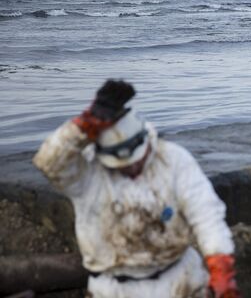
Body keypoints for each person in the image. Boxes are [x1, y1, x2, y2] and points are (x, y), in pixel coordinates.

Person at [33, 79, 240, 298]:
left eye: (133, 162)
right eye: (120, 165)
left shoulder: (173, 160)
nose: (130, 168)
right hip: (112, 286)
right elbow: (49, 162)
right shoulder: (87, 172)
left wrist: (221, 266)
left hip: (178, 279)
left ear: (143, 142)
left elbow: (206, 215)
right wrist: (83, 125)